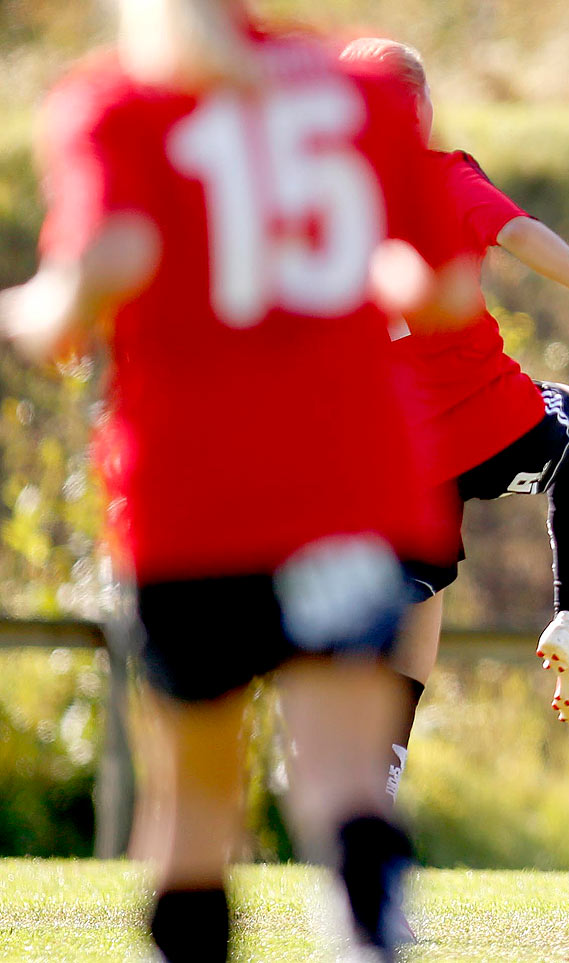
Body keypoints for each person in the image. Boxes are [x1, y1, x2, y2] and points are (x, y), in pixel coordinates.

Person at [0, 3, 479, 960]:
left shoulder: (119, 103)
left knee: (197, 803)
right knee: (343, 774)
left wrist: (37, 313)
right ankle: (369, 923)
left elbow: (112, 259)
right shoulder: (362, 95)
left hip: (194, 496)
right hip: (353, 481)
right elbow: (448, 292)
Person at [336, 39, 569, 812]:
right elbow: (520, 233)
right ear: (420, 108)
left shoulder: (326, 204)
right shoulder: (445, 176)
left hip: (403, 456)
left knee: (419, 601)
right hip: (495, 420)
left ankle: (382, 773)